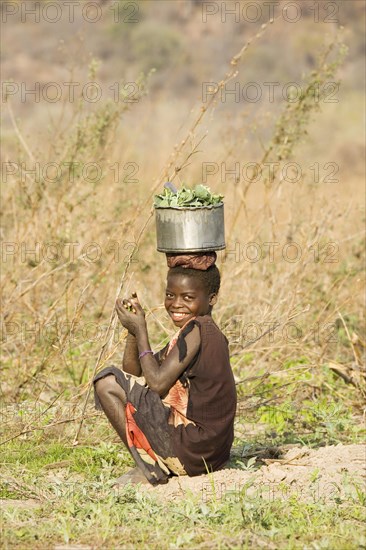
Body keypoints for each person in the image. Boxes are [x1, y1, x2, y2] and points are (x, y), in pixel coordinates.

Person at [93, 260, 237, 486]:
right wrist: (134, 330)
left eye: (187, 298)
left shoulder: (198, 330)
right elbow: (135, 372)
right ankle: (156, 463)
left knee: (106, 382)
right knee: (117, 380)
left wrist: (141, 330)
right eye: (170, 295)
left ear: (212, 298)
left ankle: (150, 469)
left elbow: (157, 384)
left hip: (194, 450)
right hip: (212, 454)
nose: (176, 304)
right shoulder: (197, 331)